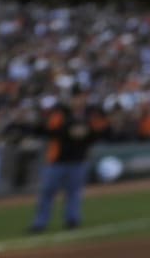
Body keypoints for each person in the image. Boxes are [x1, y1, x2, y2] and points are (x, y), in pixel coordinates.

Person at [27, 93, 107, 233]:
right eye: (74, 98)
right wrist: (70, 130)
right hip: (57, 160)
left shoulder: (89, 115)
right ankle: (40, 223)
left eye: (79, 98)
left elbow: (98, 133)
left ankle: (72, 220)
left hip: (78, 160)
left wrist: (84, 133)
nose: (77, 101)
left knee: (73, 192)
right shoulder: (60, 114)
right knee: (47, 192)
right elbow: (49, 131)